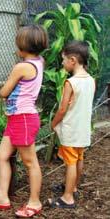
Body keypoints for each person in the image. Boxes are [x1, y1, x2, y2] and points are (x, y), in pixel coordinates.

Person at [0, 25, 48, 218]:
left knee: (30, 162)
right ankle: (2, 197)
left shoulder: (22, 67)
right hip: (18, 118)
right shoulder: (39, 61)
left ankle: (35, 202)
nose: (15, 48)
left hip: (24, 118)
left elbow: (3, 92)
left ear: (23, 47)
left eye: (18, 44)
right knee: (2, 154)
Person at [49, 41, 95, 209]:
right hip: (83, 130)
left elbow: (62, 110)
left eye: (64, 60)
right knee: (78, 158)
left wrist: (53, 124)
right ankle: (73, 187)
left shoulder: (71, 83)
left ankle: (67, 197)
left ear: (73, 60)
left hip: (70, 129)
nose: (62, 63)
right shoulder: (91, 80)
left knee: (70, 162)